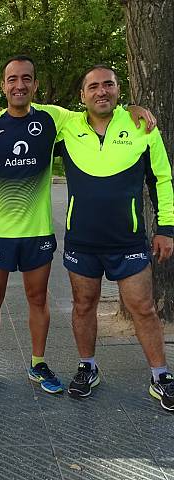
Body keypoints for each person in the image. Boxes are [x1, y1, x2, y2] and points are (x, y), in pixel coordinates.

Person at [0, 55, 156, 399]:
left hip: (38, 229)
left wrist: (133, 107)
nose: (19, 85)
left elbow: (101, 110)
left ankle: (38, 363)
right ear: (3, 86)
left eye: (26, 78)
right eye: (12, 79)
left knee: (37, 299)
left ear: (35, 85)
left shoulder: (56, 117)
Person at [54, 65, 174, 409]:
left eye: (108, 85)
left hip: (129, 241)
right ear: (82, 95)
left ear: (118, 91)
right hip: (82, 241)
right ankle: (87, 367)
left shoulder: (141, 125)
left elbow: (161, 179)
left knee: (144, 308)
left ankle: (160, 375)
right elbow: (24, 118)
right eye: (93, 86)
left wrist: (166, 229)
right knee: (83, 306)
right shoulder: (67, 127)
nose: (101, 91)